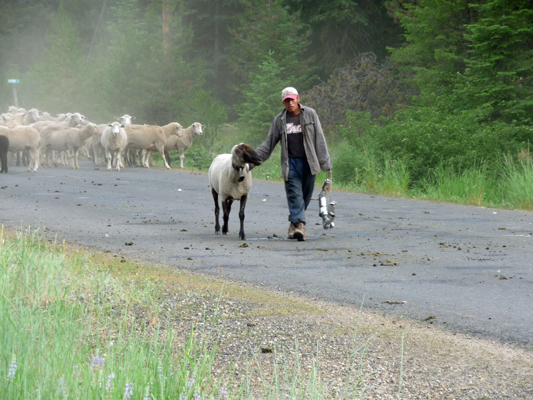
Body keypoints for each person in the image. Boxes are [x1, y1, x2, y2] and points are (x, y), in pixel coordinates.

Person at [255, 86, 332, 241]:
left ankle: (293, 225)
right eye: (286, 101)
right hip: (291, 163)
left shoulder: (310, 114)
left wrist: (326, 164)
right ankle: (300, 225)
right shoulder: (279, 120)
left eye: (292, 99)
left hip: (310, 163)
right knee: (294, 194)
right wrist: (252, 160)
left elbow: (319, 139)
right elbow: (269, 144)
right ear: (283, 103)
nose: (290, 103)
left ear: (298, 98)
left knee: (305, 196)